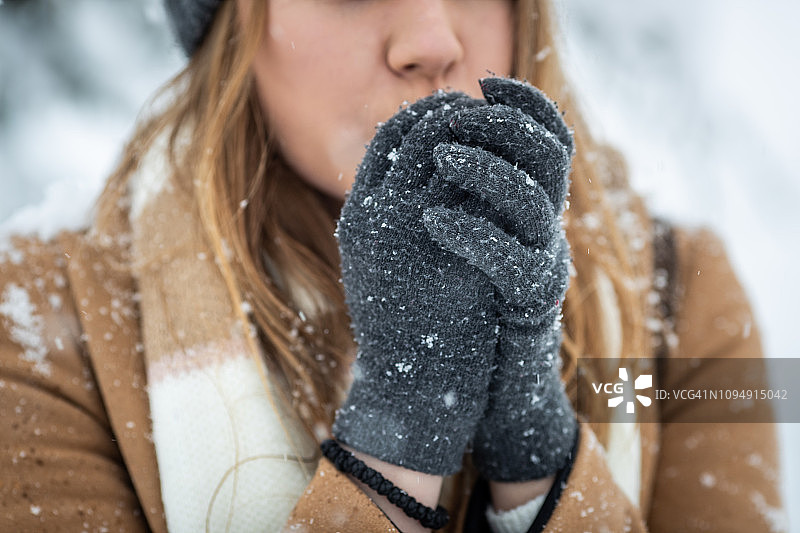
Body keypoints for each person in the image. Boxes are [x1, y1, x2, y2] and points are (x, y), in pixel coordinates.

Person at [0, 0, 784, 531]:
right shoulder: (42, 325)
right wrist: (398, 434)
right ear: (232, 27)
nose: (432, 41)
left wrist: (536, 456)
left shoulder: (685, 302)